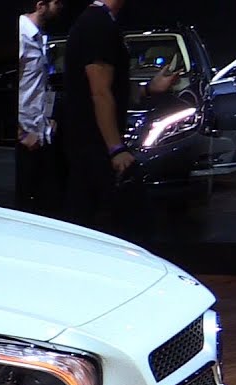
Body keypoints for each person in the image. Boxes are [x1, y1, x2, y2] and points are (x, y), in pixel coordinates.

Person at [63, 0, 177, 235]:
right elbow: (100, 92)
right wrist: (116, 149)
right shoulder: (97, 24)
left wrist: (148, 89)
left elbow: (110, 89)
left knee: (90, 223)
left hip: (93, 147)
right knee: (133, 225)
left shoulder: (101, 22)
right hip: (95, 147)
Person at [17, 0, 63, 213]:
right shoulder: (21, 35)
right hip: (25, 139)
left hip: (40, 134)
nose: (60, 6)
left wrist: (46, 122)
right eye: (56, 2)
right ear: (40, 5)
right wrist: (21, 134)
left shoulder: (39, 37)